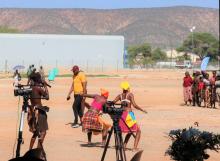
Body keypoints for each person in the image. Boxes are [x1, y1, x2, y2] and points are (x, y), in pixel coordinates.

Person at [113, 81, 147, 151]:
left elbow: (113, 102)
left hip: (121, 114)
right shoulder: (130, 94)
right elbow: (134, 105)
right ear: (128, 88)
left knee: (130, 131)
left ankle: (124, 146)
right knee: (138, 131)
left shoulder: (120, 95)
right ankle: (134, 148)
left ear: (122, 88)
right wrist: (142, 110)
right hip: (129, 114)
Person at [28, 72, 49, 159]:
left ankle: (30, 150)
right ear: (38, 79)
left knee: (36, 133)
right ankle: (38, 150)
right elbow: (47, 97)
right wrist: (45, 86)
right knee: (43, 132)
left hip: (32, 111)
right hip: (39, 112)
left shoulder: (30, 88)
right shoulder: (38, 88)